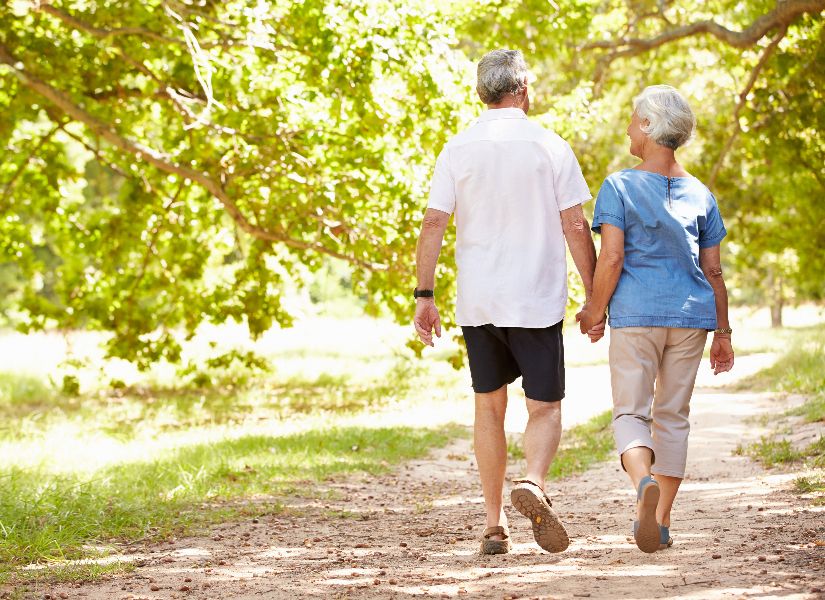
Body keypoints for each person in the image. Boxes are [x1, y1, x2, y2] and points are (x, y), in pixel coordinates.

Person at [413, 49, 596, 555]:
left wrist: (424, 295)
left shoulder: (457, 148)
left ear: (481, 93)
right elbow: (575, 225)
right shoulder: (550, 145)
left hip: (480, 300)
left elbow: (433, 222)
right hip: (535, 299)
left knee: (488, 409)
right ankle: (533, 483)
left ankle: (494, 526)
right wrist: (596, 295)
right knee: (545, 408)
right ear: (523, 89)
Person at [576, 85, 735, 553]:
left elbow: (611, 259)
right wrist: (723, 333)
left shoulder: (620, 186)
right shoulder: (702, 193)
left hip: (637, 316)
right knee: (672, 417)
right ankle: (661, 519)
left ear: (647, 126)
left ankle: (642, 480)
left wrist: (593, 310)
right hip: (691, 319)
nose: (627, 126)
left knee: (631, 412)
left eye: (631, 119)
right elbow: (714, 270)